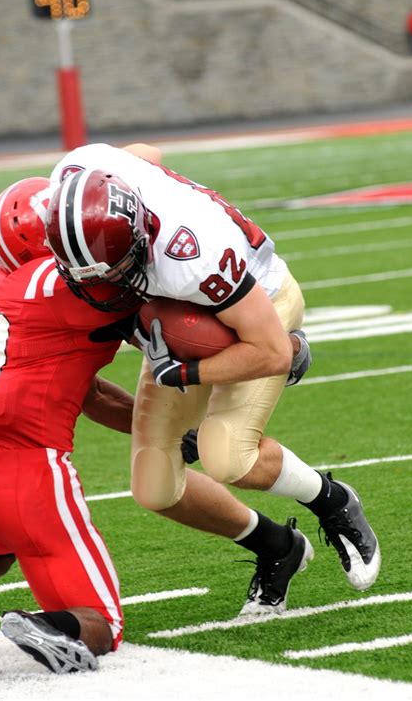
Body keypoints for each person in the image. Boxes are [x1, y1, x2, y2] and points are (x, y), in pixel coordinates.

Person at [45, 143, 381, 612]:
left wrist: (185, 370)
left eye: (117, 272)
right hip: (175, 314)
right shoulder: (77, 177)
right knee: (155, 486)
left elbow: (268, 351)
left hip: (256, 309)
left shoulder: (192, 256)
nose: (103, 288)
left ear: (141, 235)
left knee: (227, 456)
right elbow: (145, 153)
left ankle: (333, 501)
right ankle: (277, 548)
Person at [0, 177, 137, 673]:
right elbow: (166, 311)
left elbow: (88, 393)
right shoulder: (69, 285)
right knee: (102, 626)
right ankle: (53, 627)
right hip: (32, 476)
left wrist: (164, 434)